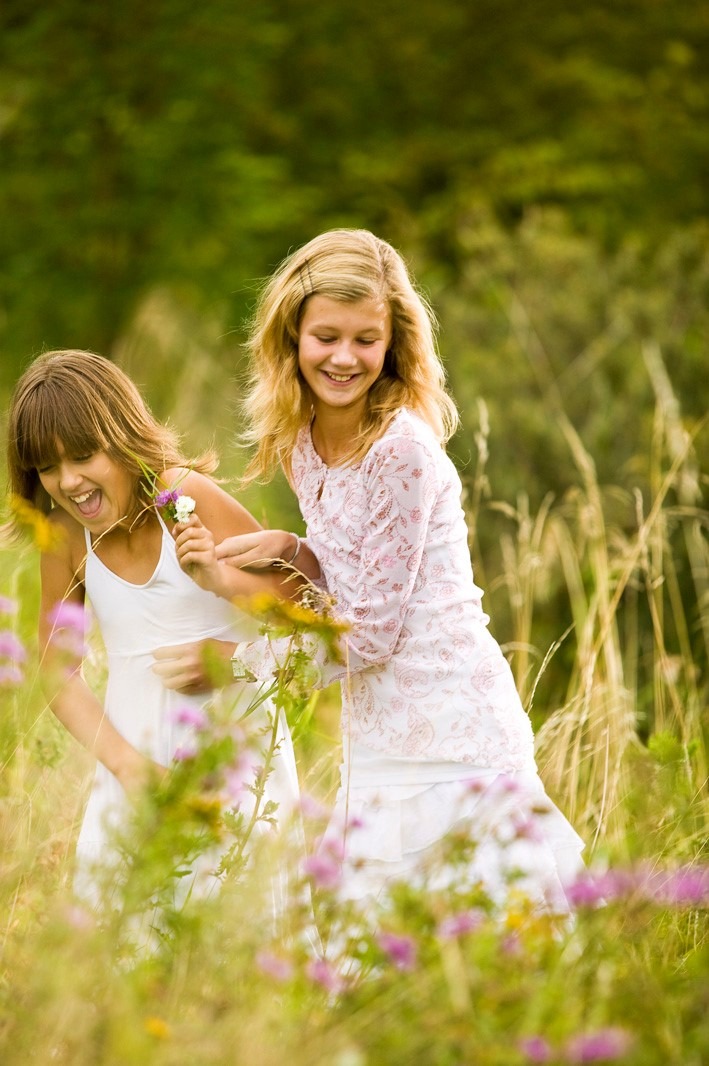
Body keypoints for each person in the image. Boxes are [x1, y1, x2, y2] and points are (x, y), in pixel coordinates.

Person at [158, 229, 585, 914]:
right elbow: (362, 570)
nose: (344, 357)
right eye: (326, 336)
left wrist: (238, 663)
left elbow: (372, 634)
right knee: (379, 959)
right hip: (378, 732)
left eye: (366, 339)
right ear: (291, 336)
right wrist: (298, 550)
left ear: (393, 344)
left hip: (450, 732)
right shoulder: (301, 441)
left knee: (480, 951)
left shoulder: (402, 452)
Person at [6, 349, 304, 913]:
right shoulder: (67, 535)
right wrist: (126, 767)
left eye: (84, 455)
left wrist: (218, 583)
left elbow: (297, 605)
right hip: (136, 769)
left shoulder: (183, 497)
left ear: (120, 436)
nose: (69, 481)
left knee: (241, 928)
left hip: (233, 762)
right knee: (135, 947)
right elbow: (55, 668)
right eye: (47, 467)